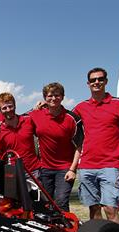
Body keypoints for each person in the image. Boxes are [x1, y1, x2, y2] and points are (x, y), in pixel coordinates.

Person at [72, 67, 119, 223]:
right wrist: (40, 107)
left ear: (106, 81)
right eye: (93, 80)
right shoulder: (80, 108)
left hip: (109, 166)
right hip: (87, 166)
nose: (96, 82)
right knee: (94, 208)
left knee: (110, 209)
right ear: (88, 84)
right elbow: (63, 118)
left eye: (100, 79)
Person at [28, 82, 81, 212]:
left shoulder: (72, 118)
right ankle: (50, 231)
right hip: (44, 168)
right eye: (50, 95)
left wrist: (73, 169)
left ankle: (67, 230)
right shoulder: (36, 114)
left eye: (57, 95)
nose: (53, 98)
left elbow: (79, 146)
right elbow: (15, 120)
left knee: (61, 202)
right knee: (45, 204)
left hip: (64, 169)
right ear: (45, 98)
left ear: (62, 97)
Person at [0, 92, 40, 177]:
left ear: (15, 106)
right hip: (13, 173)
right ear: (0, 111)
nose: (8, 110)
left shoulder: (28, 121)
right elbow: (0, 155)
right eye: (4, 108)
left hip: (34, 171)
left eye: (10, 106)